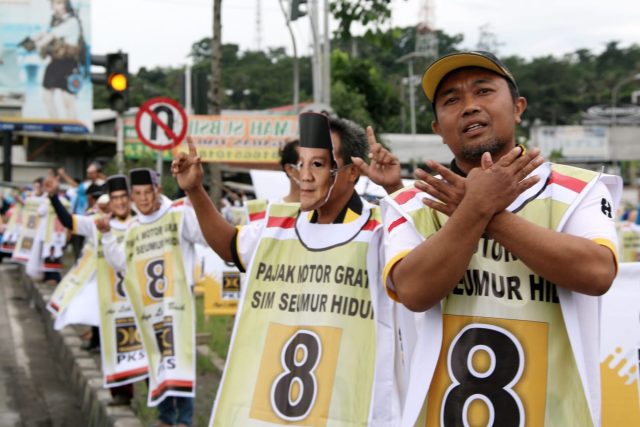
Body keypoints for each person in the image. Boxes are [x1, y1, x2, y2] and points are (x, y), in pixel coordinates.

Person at [381, 51, 622, 426]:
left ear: (518, 108)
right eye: (451, 100)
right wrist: (477, 206)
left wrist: (483, 211)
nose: (469, 107)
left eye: (483, 91)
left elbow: (597, 273)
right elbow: (413, 290)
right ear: (437, 128)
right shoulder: (409, 203)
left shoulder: (580, 189)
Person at [172, 113, 407, 426]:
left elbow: (420, 268)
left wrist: (396, 190)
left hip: (352, 409)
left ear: (352, 173)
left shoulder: (380, 230)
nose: (304, 176)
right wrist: (195, 191)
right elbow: (231, 246)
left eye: (319, 164)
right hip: (281, 408)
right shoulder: (280, 224)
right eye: (301, 163)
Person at [99, 168, 204, 427]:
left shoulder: (178, 215)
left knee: (180, 357)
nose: (143, 199)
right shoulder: (134, 227)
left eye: (148, 192)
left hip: (178, 304)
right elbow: (120, 263)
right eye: (138, 194)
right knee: (157, 359)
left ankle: (185, 420)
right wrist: (106, 235)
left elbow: (205, 236)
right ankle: (165, 418)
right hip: (149, 309)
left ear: (157, 190)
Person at [44, 174, 142, 406]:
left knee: (146, 349)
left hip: (140, 298)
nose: (118, 203)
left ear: (130, 199)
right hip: (112, 299)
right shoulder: (98, 223)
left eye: (123, 198)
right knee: (115, 347)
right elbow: (69, 222)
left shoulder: (141, 223)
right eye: (114, 199)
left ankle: (156, 402)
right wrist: (53, 196)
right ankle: (121, 394)